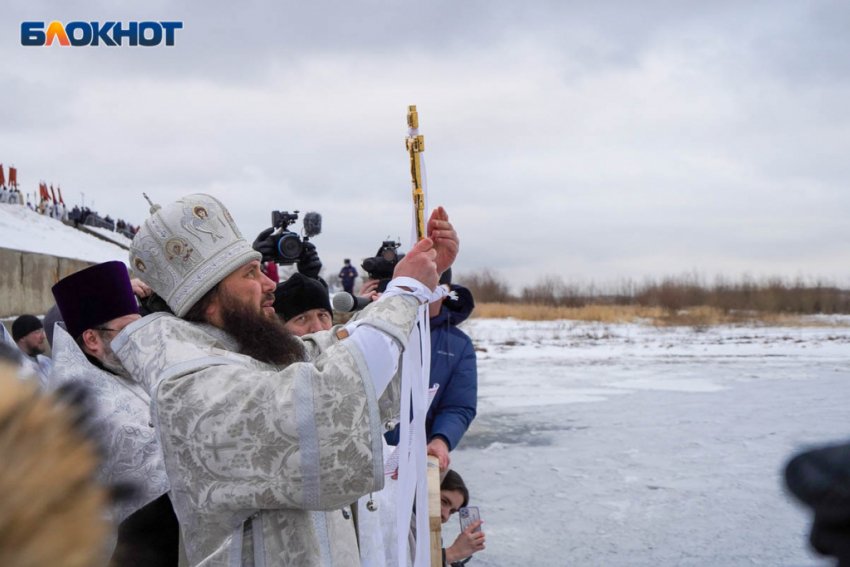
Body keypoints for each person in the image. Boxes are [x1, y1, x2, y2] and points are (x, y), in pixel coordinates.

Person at [119, 193, 458, 567]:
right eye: (250, 274)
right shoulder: (190, 386)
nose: (269, 284)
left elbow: (324, 350)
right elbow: (321, 402)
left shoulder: (241, 350)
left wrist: (419, 286)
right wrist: (404, 294)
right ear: (209, 299)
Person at [50, 261, 177, 567]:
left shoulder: (122, 366)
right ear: (92, 340)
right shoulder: (84, 401)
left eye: (141, 326)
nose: (142, 339)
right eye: (128, 330)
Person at [386, 269, 478, 472]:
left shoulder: (459, 345)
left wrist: (441, 440)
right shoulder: (377, 331)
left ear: (444, 291)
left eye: (427, 286)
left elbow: (458, 406)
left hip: (416, 460)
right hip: (367, 455)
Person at [440, 470, 485, 566]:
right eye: (443, 501)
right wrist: (452, 553)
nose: (445, 516)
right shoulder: (402, 525)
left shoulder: (432, 539)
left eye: (452, 511)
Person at [11, 314, 52, 386]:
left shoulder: (47, 362)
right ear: (23, 337)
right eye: (37, 332)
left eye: (42, 331)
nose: (43, 336)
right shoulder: (13, 368)